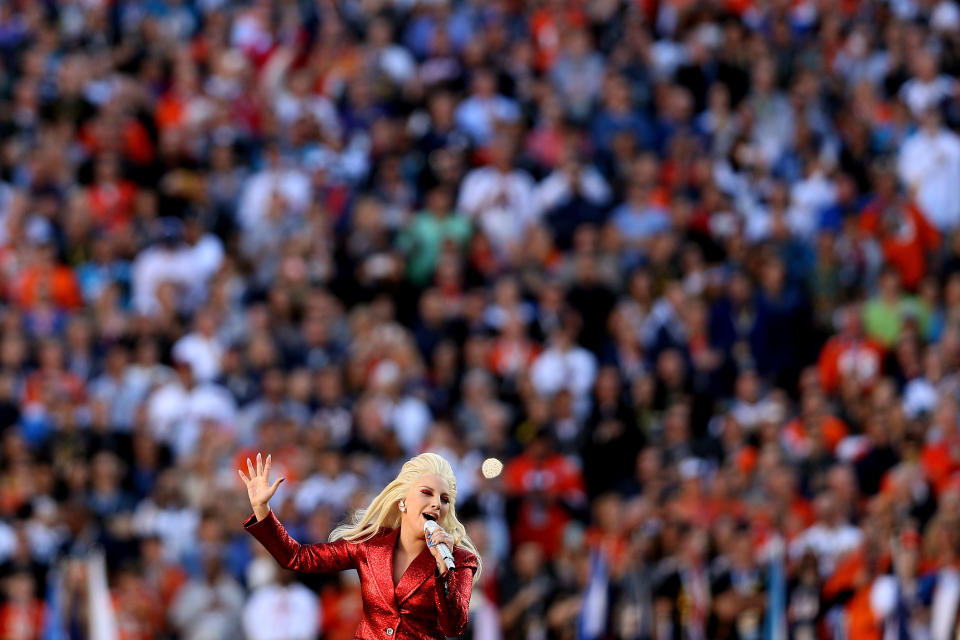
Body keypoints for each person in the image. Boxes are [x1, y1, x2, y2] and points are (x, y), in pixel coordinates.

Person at [238, 451, 481, 639]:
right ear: (402, 501)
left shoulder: (459, 559)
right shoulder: (371, 546)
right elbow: (297, 557)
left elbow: (454, 627)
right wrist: (262, 511)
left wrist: (443, 571)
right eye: (427, 493)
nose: (437, 504)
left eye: (445, 499)